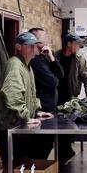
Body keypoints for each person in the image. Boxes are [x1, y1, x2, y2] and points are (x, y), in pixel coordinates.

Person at [0, 32, 53, 173]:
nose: (35, 49)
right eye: (31, 46)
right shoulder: (14, 65)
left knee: (22, 163)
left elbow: (30, 93)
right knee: (10, 166)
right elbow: (11, 94)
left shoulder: (27, 67)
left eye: (36, 46)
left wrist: (36, 111)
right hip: (8, 125)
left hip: (18, 125)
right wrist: (26, 116)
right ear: (19, 47)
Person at [54, 31, 87, 164]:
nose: (79, 46)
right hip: (55, 97)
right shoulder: (56, 56)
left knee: (68, 126)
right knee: (57, 127)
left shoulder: (79, 59)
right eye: (76, 43)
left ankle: (65, 154)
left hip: (71, 98)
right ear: (68, 44)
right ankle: (63, 155)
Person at [28, 27, 63, 159]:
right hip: (41, 109)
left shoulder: (44, 57)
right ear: (35, 43)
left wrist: (52, 58)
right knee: (41, 148)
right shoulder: (35, 61)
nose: (46, 44)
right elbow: (53, 82)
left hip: (49, 109)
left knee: (47, 145)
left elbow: (60, 74)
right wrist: (54, 77)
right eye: (43, 42)